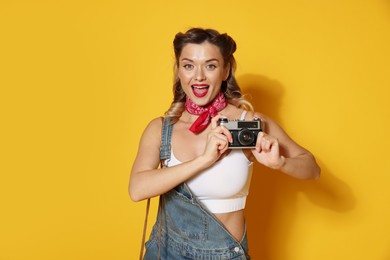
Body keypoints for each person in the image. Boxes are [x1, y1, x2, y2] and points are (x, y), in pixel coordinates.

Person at [129, 27, 320, 259]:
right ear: (179, 70)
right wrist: (204, 160)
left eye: (210, 65)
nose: (198, 76)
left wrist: (280, 163)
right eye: (189, 65)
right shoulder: (161, 129)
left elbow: (312, 168)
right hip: (165, 252)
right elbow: (137, 189)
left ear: (225, 70)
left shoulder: (248, 123)